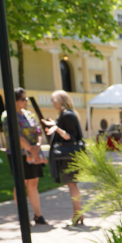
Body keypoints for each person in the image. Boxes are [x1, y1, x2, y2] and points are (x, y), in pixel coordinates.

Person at [1, 88, 46, 225]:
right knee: (21, 183)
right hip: (19, 154)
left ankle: (38, 215)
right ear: (14, 101)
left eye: (26, 98)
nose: (26, 101)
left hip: (33, 153)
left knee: (33, 182)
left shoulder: (28, 114)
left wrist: (37, 146)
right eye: (23, 99)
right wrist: (31, 150)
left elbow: (38, 131)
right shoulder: (8, 115)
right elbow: (16, 136)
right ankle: (23, 216)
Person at [42, 91, 85, 226]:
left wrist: (56, 128)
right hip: (69, 156)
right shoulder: (67, 115)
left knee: (72, 184)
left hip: (69, 156)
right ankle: (78, 213)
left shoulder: (67, 115)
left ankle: (77, 213)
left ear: (60, 100)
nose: (52, 102)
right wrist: (55, 125)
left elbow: (70, 137)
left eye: (53, 99)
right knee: (72, 184)